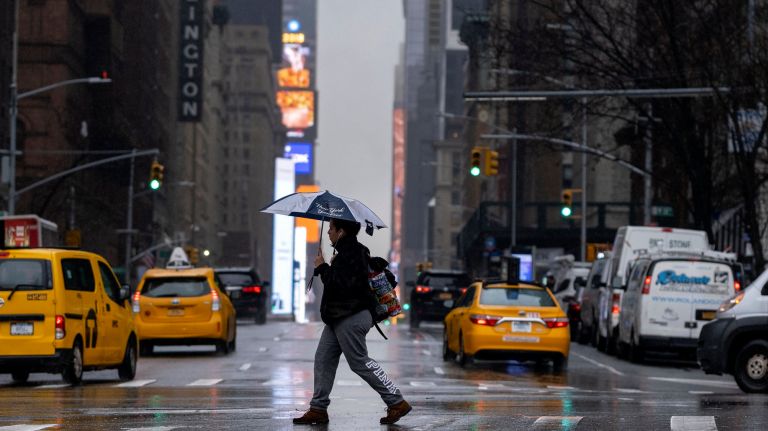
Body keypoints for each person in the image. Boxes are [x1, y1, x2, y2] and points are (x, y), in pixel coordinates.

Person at [293, 218, 412, 426]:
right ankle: (318, 408)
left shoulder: (352, 253)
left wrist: (322, 268)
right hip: (338, 316)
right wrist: (326, 266)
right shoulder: (347, 252)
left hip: (351, 316)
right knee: (323, 358)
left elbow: (343, 285)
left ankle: (396, 401)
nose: (328, 232)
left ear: (341, 231)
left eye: (331, 229)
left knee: (359, 361)